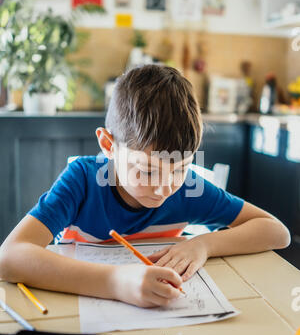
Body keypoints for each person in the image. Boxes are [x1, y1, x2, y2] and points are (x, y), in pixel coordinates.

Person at [0, 65, 290, 308]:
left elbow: (277, 232)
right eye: (147, 171)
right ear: (108, 145)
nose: (164, 188)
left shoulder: (188, 188)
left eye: (180, 168)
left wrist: (203, 244)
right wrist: (115, 283)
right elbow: (10, 256)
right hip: (77, 309)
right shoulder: (83, 181)